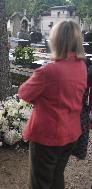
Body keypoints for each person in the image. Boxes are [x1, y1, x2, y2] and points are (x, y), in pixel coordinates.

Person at [18, 20, 87, 189]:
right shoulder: (81, 67)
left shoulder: (49, 71)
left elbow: (24, 93)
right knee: (57, 176)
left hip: (47, 136)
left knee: (39, 182)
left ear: (56, 40)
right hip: (70, 133)